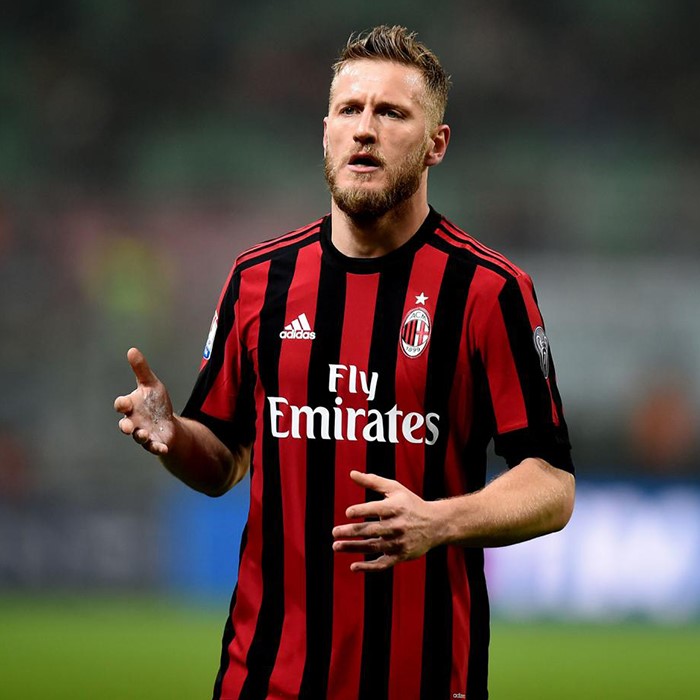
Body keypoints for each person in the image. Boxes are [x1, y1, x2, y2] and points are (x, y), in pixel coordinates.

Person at [114, 25, 575, 700]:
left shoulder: (487, 291)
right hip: (264, 678)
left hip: (422, 679)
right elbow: (223, 460)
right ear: (325, 132)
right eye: (350, 109)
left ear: (436, 144)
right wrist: (175, 437)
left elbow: (552, 485)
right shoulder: (257, 281)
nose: (365, 129)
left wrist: (440, 522)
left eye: (391, 113)